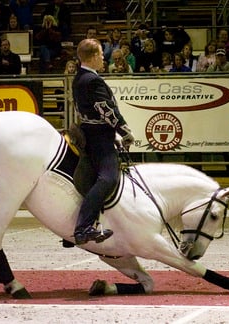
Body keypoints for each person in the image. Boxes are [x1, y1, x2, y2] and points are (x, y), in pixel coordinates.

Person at [71, 38, 134, 245]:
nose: (103, 59)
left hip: (90, 132)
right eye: (101, 55)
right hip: (99, 138)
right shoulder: (93, 80)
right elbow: (107, 110)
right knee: (108, 179)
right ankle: (83, 227)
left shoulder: (79, 77)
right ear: (95, 56)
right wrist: (124, 132)